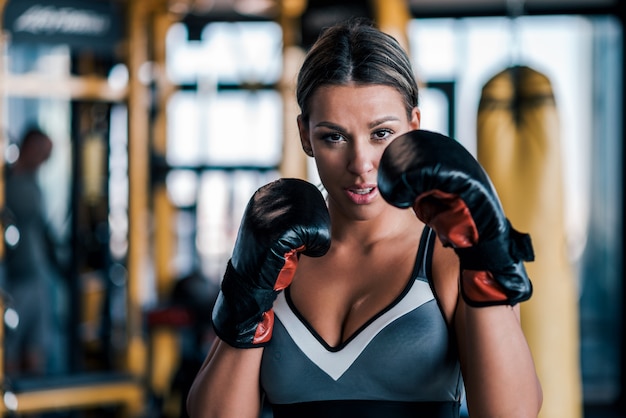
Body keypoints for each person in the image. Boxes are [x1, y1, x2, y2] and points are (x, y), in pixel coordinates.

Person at [186, 18, 542, 418]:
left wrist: (486, 254)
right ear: (305, 134)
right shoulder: (279, 251)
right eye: (333, 136)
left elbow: (512, 413)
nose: (361, 164)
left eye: (381, 134)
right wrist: (248, 292)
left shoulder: (448, 254)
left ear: (414, 126)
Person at [3, 128, 58, 376]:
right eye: (42, 152)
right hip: (13, 280)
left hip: (37, 279)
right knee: (10, 349)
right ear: (28, 146)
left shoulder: (34, 185)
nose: (44, 159)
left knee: (36, 351)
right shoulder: (8, 183)